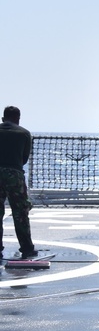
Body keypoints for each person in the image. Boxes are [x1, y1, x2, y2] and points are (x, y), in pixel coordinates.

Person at [0, 105, 37, 259]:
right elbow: (24, 159)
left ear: (3, 118)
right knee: (20, 212)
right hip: (14, 174)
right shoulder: (24, 133)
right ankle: (27, 248)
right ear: (18, 118)